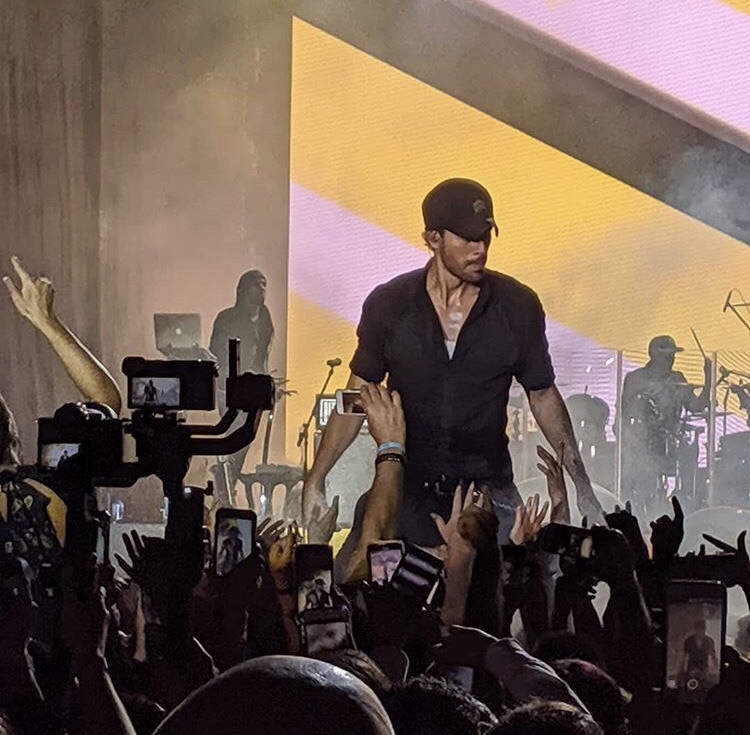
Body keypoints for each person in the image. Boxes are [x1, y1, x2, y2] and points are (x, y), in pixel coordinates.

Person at [303, 178, 601, 547]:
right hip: (409, 491)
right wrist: (316, 478)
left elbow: (542, 395)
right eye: (468, 239)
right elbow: (358, 394)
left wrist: (583, 486)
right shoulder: (390, 304)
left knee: (508, 576)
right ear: (433, 238)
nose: (480, 249)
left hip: (487, 492)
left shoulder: (516, 305)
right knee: (358, 573)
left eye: (485, 237)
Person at [619, 335, 710, 516]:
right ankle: (638, 507)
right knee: (641, 469)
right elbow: (624, 412)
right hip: (641, 441)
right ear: (653, 354)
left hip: (671, 440)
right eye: (666, 354)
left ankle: (687, 498)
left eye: (672, 355)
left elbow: (696, 406)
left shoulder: (677, 378)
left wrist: (708, 379)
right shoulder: (636, 378)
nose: (670, 359)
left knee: (690, 450)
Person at [209, 270, 274, 504]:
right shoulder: (227, 318)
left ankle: (226, 483)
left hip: (254, 387)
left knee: (246, 438)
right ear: (243, 290)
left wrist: (269, 383)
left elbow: (262, 356)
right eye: (256, 284)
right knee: (235, 435)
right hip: (230, 387)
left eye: (264, 284)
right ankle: (225, 485)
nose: (262, 289)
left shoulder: (265, 318)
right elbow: (216, 351)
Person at [681, 619, 718, 688]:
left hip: (704, 668)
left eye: (703, 629)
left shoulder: (709, 641)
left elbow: (713, 655)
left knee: (704, 685)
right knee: (691, 685)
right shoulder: (689, 641)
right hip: (692, 667)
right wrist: (682, 669)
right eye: (699, 629)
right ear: (695, 630)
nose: (701, 632)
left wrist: (715, 667)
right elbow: (684, 656)